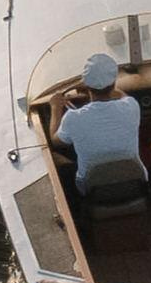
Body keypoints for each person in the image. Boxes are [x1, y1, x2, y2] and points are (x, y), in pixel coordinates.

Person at [52, 52, 143, 189]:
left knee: (55, 156)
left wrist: (55, 108)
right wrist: (102, 85)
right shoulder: (131, 106)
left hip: (93, 188)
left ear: (88, 86)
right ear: (113, 82)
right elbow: (121, 95)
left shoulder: (72, 118)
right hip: (134, 182)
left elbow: (55, 141)